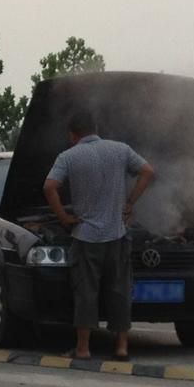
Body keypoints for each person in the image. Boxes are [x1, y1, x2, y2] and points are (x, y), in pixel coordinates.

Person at [43, 111, 154, 361]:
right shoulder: (121, 150)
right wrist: (130, 202)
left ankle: (83, 348)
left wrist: (63, 217)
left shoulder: (68, 156)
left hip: (85, 236)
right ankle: (122, 347)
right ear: (95, 129)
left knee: (86, 292)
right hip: (117, 233)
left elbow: (49, 187)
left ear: (73, 134)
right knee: (120, 290)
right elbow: (147, 171)